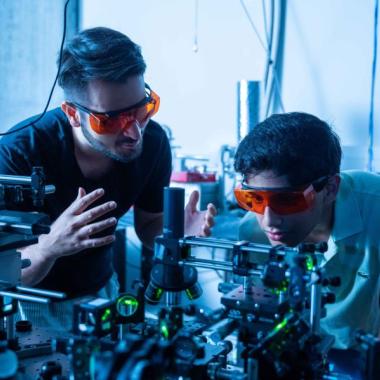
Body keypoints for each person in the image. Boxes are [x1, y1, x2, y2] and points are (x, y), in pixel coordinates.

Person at [0, 27, 216, 303]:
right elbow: (5, 271)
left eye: (142, 110)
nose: (134, 132)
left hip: (102, 292)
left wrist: (175, 235)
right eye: (112, 120)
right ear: (73, 114)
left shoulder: (153, 142)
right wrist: (48, 247)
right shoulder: (19, 154)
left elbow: (149, 226)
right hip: (30, 303)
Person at [234, 112, 380, 349]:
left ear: (330, 189)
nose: (269, 221)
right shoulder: (252, 232)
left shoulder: (375, 210)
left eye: (287, 200)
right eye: (254, 198)